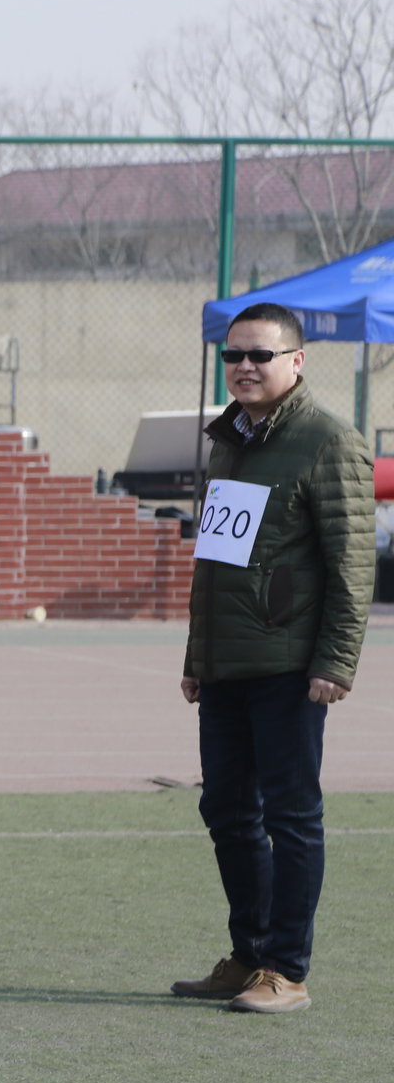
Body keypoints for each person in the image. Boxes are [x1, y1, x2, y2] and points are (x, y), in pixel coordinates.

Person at [171, 301, 374, 1015]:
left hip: (291, 667)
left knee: (290, 816)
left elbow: (352, 567)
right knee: (226, 809)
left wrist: (336, 661)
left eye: (261, 355)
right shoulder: (229, 439)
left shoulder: (328, 441)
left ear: (297, 361)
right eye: (235, 356)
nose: (245, 367)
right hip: (228, 666)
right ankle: (250, 954)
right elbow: (215, 560)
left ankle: (287, 970)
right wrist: (199, 654)